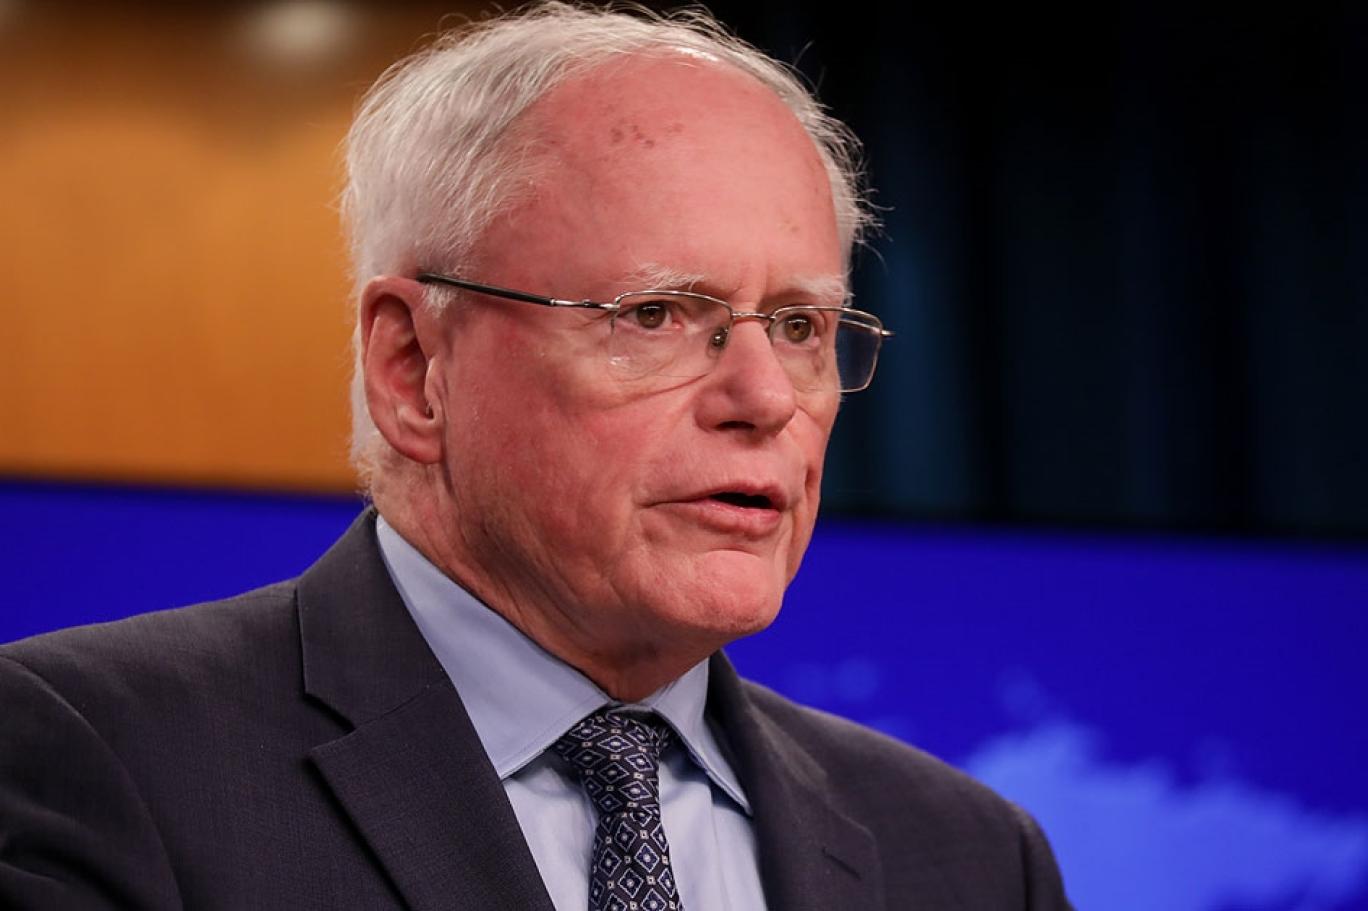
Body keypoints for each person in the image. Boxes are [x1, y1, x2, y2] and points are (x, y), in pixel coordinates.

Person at [0, 4, 1071, 909]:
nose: (764, 400)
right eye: (656, 313)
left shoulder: (971, 857)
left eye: (798, 326)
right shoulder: (91, 756)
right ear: (414, 367)